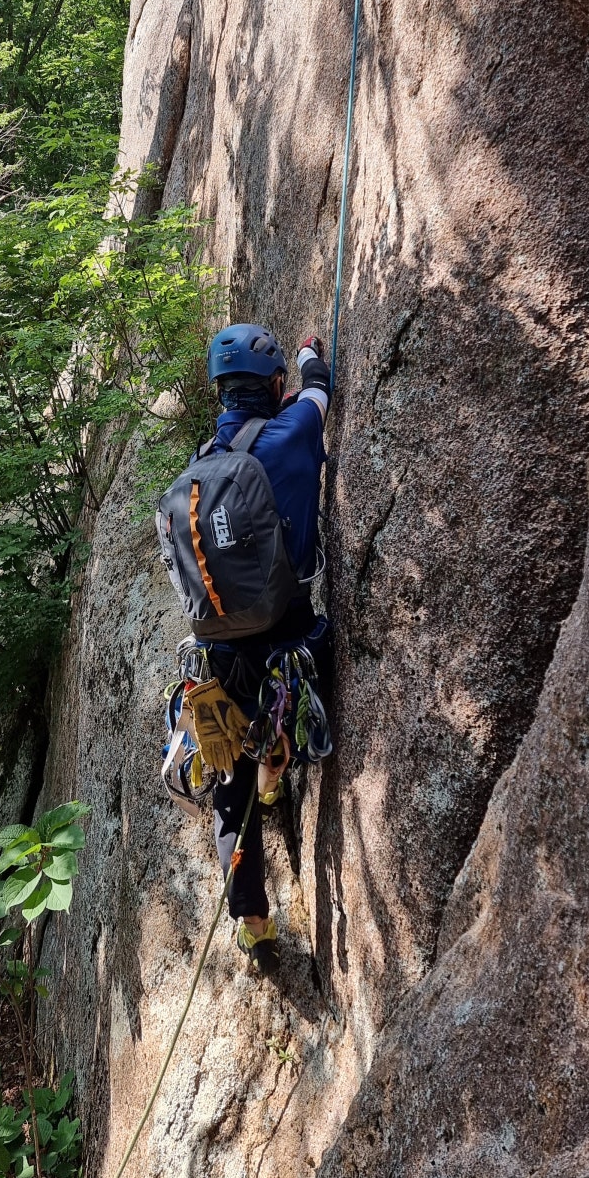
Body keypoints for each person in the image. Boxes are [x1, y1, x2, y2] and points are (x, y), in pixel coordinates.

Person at [197, 322, 332, 970]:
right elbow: (320, 390)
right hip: (290, 638)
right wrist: (309, 356)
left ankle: (252, 921)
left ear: (221, 396)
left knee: (230, 783)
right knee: (313, 665)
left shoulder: (198, 465)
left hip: (220, 652)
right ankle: (278, 767)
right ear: (274, 385)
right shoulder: (294, 431)